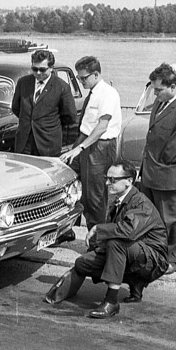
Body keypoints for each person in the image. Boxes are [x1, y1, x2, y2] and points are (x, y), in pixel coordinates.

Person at [44, 160, 168, 317]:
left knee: (117, 243)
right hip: (134, 252)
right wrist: (94, 251)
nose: (108, 183)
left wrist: (97, 229)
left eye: (113, 180)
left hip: (154, 259)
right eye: (107, 178)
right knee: (83, 263)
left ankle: (111, 302)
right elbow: (114, 233)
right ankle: (135, 284)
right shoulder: (117, 200)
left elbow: (128, 232)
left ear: (129, 181)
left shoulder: (141, 203)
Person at [140, 63, 176, 275]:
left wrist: (156, 165)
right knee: (152, 217)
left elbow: (175, 149)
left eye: (158, 89)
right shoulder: (160, 101)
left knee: (172, 219)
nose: (155, 93)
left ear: (172, 87)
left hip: (167, 174)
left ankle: (173, 259)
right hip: (151, 171)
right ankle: (154, 253)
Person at [59, 56, 121, 230]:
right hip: (86, 141)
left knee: (96, 197)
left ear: (95, 74)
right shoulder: (93, 93)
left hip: (100, 147)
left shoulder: (108, 94)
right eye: (79, 78)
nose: (81, 81)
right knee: (77, 187)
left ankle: (99, 242)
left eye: (83, 78)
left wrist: (79, 148)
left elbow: (102, 127)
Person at [11, 49, 77, 157]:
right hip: (24, 144)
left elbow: (70, 116)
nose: (38, 73)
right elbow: (16, 108)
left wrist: (49, 125)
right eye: (34, 69)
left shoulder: (61, 86)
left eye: (42, 69)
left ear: (51, 68)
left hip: (48, 145)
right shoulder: (23, 82)